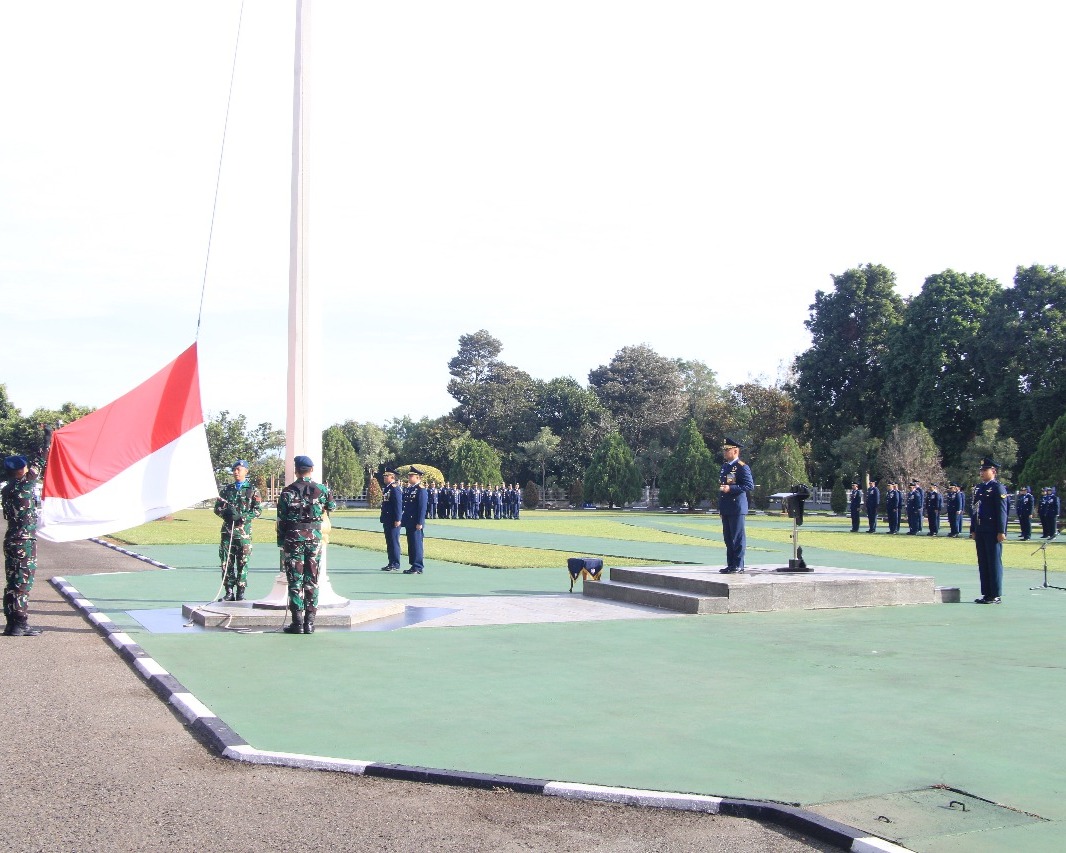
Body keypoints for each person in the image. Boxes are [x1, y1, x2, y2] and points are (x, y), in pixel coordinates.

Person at [2, 425, 53, 637]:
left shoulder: (8, 488)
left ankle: (12, 623)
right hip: (24, 541)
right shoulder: (24, 485)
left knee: (13, 582)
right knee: (23, 583)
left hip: (12, 538)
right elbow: (40, 461)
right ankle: (20, 624)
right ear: (21, 470)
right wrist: (48, 437)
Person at [276, 455, 336, 634]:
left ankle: (297, 622)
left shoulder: (288, 491)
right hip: (314, 538)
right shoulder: (322, 489)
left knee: (295, 581)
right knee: (312, 580)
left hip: (293, 538)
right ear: (311, 470)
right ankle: (310, 622)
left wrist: (281, 542)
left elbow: (281, 519)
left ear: (296, 470)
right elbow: (331, 506)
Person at [213, 460, 263, 601]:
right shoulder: (226, 490)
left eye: (239, 469)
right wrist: (227, 514)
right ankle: (229, 591)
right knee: (226, 561)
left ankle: (241, 591)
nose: (236, 472)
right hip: (228, 532)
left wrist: (243, 517)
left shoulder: (252, 490)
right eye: (234, 469)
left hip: (243, 533)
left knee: (242, 561)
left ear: (246, 471)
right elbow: (217, 508)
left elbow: (258, 510)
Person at [971, 457, 1008, 604]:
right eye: (981, 470)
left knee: (993, 562)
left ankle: (995, 594)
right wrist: (973, 528)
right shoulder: (979, 488)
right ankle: (986, 593)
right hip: (980, 530)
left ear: (993, 471)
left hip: (993, 531)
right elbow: (975, 510)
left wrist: (1001, 530)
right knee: (983, 562)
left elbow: (1002, 511)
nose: (981, 473)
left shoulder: (998, 488)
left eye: (984, 470)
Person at [718, 438, 754, 574]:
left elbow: (749, 485)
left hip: (737, 507)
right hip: (726, 507)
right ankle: (731, 564)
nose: (725, 452)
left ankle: (739, 565)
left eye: (727, 450)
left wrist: (731, 489)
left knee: (737, 537)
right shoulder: (725, 467)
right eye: (724, 450)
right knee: (728, 538)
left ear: (735, 451)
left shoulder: (742, 466)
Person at [401, 467, 429, 574]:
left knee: (416, 544)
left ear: (417, 477)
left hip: (416, 522)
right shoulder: (410, 489)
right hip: (409, 521)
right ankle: (413, 564)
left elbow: (422, 508)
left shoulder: (421, 490)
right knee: (411, 544)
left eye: (411, 476)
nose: (409, 477)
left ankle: (418, 566)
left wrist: (420, 522)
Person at [379, 469, 403, 571]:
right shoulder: (387, 488)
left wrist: (398, 519)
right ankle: (391, 562)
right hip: (387, 519)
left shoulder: (395, 488)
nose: (384, 478)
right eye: (384, 476)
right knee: (389, 542)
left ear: (392, 477)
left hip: (393, 520)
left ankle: (395, 563)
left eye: (386, 476)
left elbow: (398, 505)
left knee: (394, 542)